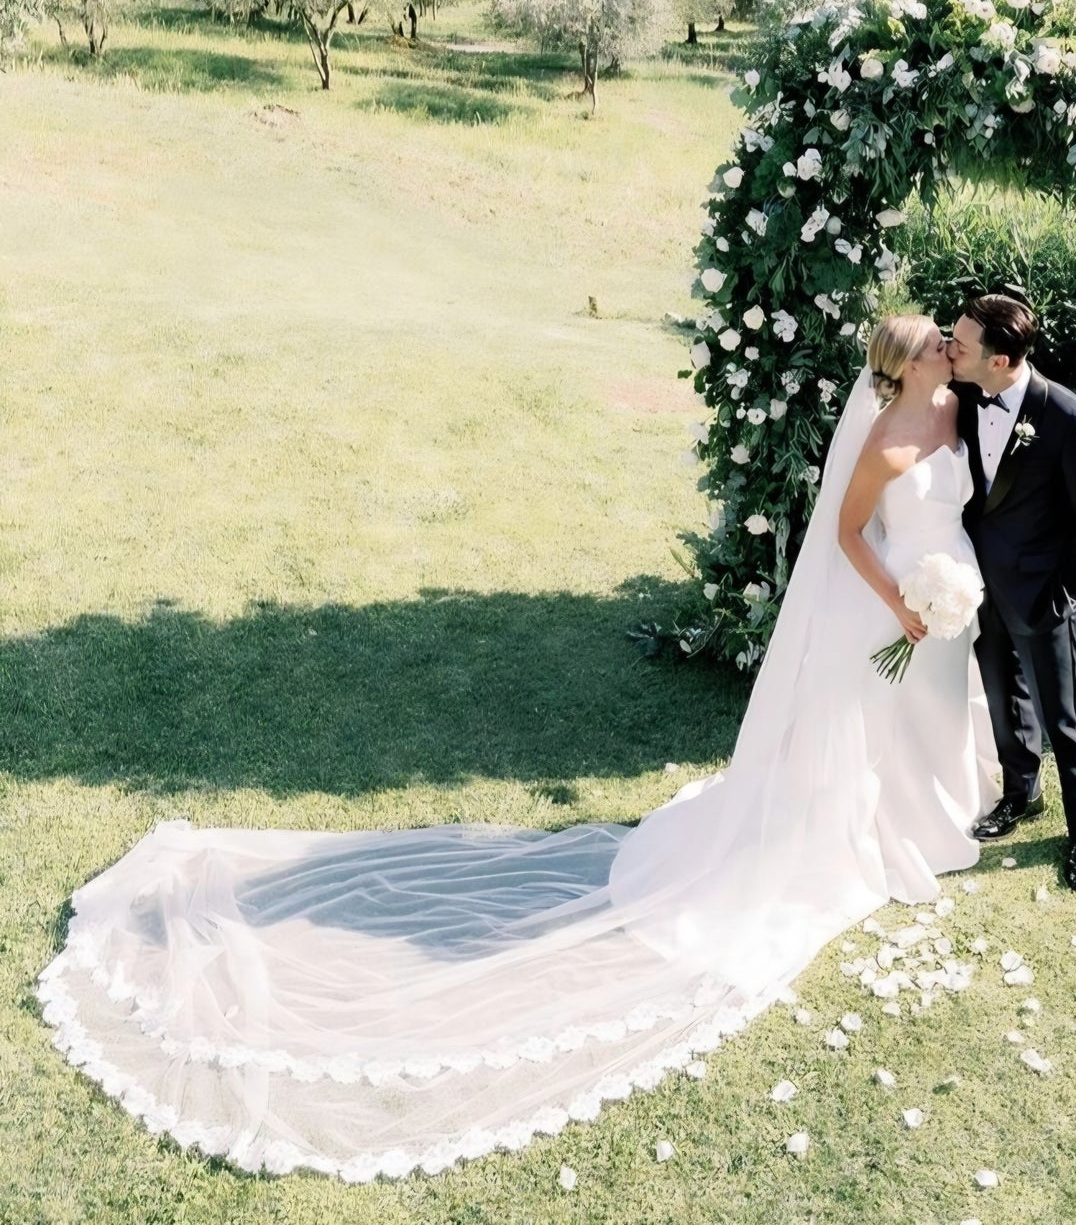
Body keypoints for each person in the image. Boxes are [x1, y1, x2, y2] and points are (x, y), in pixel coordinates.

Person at [36, 317, 997, 1181]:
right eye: (929, 347)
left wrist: (946, 581)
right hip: (895, 607)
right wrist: (899, 603)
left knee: (900, 731)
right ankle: (852, 834)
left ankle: (920, 811)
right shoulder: (878, 438)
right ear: (899, 366)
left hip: (937, 601)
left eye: (944, 346)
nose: (943, 354)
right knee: (852, 731)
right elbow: (843, 532)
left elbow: (964, 478)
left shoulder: (955, 410)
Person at [947, 293, 1076, 892]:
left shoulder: (1069, 419)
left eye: (961, 344)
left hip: (1045, 597)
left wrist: (1066, 595)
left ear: (1000, 361)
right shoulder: (964, 396)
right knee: (1002, 699)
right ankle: (1019, 793)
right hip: (980, 589)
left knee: (1063, 720)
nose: (950, 348)